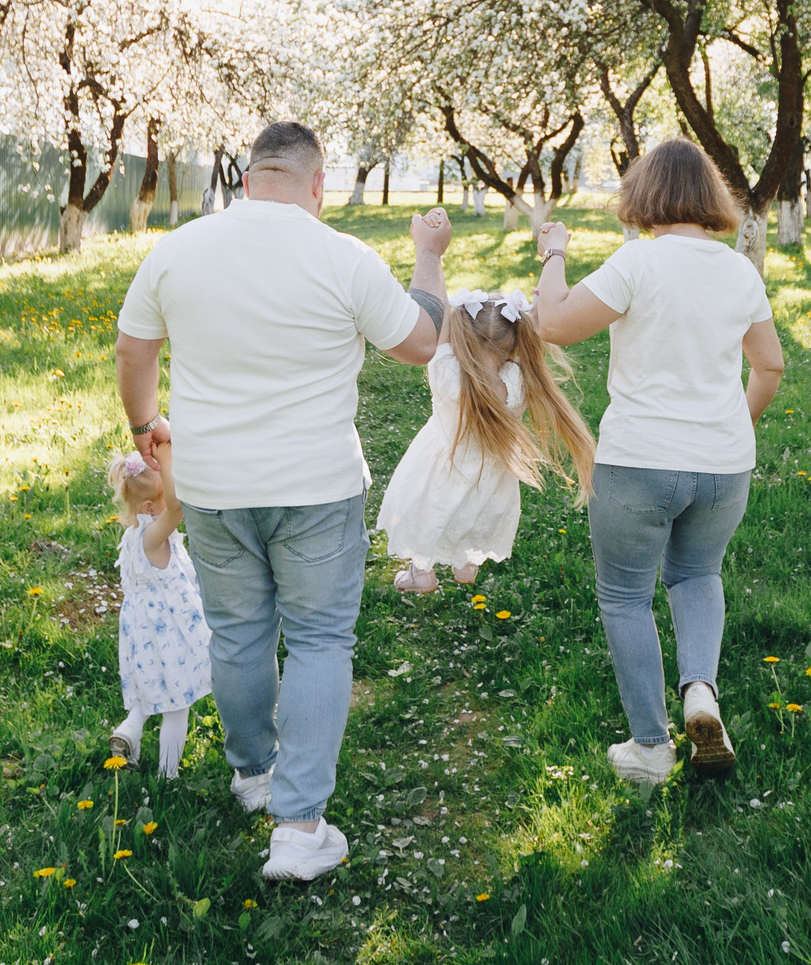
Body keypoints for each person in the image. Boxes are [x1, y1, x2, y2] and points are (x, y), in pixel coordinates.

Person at [114, 122, 452, 882]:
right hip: (317, 486)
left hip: (214, 485)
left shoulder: (179, 250)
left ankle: (253, 776)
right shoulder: (344, 256)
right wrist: (428, 257)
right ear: (317, 183)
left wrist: (145, 425)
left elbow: (134, 349)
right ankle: (299, 827)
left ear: (245, 178)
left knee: (237, 634)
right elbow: (422, 340)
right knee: (321, 641)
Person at [529, 139, 786, 785]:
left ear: (643, 197)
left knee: (624, 595)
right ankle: (700, 690)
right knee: (698, 574)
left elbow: (552, 323)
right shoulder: (740, 271)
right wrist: (732, 428)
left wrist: (554, 254)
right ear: (711, 199)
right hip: (724, 467)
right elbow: (771, 365)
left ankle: (650, 747)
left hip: (638, 460)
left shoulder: (637, 263)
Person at [376, 289, 595, 594]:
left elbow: (440, 328)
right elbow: (525, 331)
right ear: (516, 340)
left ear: (462, 335)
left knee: (430, 513)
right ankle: (466, 564)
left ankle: (421, 573)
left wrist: (434, 257)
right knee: (477, 512)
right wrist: (535, 309)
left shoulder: (447, 373)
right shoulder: (519, 380)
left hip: (441, 468)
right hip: (491, 478)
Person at [103, 443, 210, 778]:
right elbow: (177, 508)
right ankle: (168, 776)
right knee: (176, 707)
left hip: (142, 636)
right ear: (150, 507)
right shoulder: (153, 535)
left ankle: (129, 730)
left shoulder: (132, 536)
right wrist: (166, 461)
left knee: (151, 692)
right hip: (168, 635)